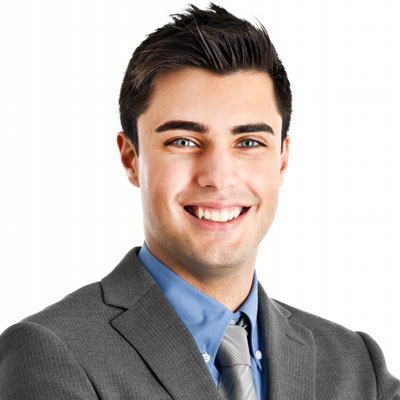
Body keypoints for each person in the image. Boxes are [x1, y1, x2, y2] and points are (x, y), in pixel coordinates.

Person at [0, 3, 399, 399]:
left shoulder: (356, 366)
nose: (219, 177)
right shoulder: (52, 353)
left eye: (249, 142)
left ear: (282, 159)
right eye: (184, 141)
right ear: (131, 158)